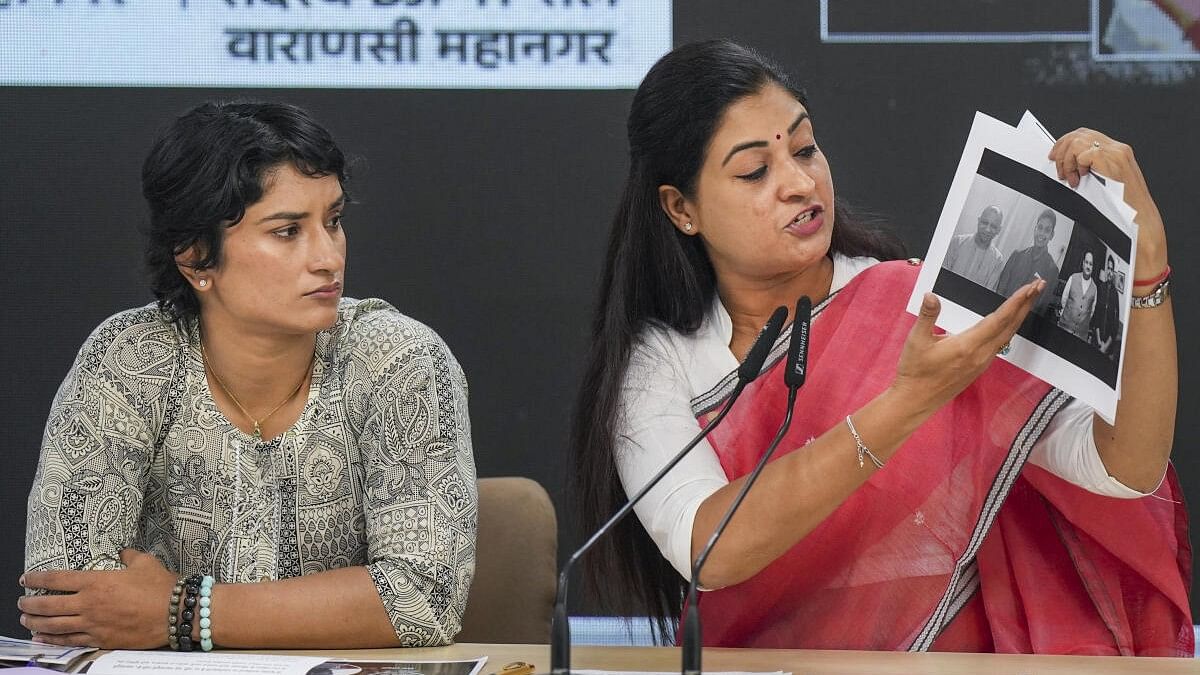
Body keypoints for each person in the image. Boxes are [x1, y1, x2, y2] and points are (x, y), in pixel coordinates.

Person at [571, 40, 1188, 655]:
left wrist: (1146, 275)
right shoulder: (659, 365)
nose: (798, 182)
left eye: (806, 148)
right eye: (755, 170)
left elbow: (1124, 469)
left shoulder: (913, 300)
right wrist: (910, 401)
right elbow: (708, 548)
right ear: (682, 209)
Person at [20, 102, 477, 650]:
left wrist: (181, 610)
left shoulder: (398, 360)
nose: (328, 257)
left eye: (333, 221)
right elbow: (70, 598)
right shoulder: (127, 361)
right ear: (195, 259)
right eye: (287, 231)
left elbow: (424, 598)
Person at [995, 208, 1061, 314]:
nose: (1042, 234)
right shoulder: (1017, 255)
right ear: (1035, 229)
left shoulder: (1052, 270)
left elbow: (1041, 307)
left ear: (1051, 235)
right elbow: (1000, 289)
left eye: (1047, 230)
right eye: (1040, 228)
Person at [943, 205, 1005, 290]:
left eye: (993, 226)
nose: (987, 229)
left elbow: (987, 292)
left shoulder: (997, 260)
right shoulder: (957, 242)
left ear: (999, 230)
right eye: (985, 223)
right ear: (979, 221)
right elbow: (941, 278)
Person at [1057, 251, 1098, 339]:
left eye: (1091, 264)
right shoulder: (1073, 278)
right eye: (1086, 262)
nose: (1088, 266)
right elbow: (1064, 299)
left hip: (1080, 335)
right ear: (1083, 263)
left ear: (1093, 267)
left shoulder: (1095, 288)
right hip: (1064, 327)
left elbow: (1091, 311)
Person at [1091, 254, 1124, 358]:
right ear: (1106, 270)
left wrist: (1106, 345)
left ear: (1113, 272)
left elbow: (1115, 324)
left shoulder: (1115, 294)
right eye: (1108, 268)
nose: (1109, 272)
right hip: (1097, 339)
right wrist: (1099, 341)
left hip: (1108, 344)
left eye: (1111, 269)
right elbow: (1096, 315)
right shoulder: (1100, 287)